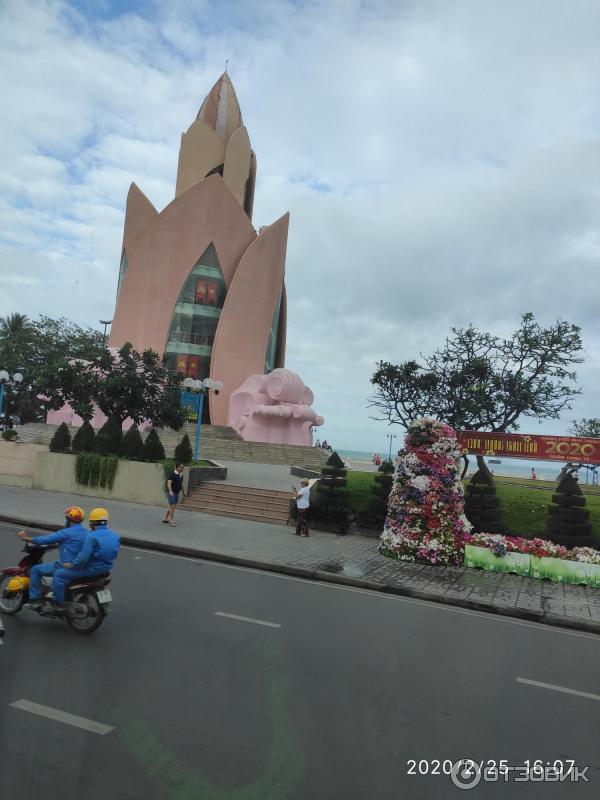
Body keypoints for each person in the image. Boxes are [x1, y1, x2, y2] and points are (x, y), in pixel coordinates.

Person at [17, 506, 88, 611]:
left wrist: (26, 538)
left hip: (66, 565)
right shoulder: (86, 532)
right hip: (81, 565)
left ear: (69, 520)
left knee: (35, 570)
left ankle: (35, 600)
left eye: (66, 518)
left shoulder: (66, 532)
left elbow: (44, 540)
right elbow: (73, 544)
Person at [56, 508, 120, 604]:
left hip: (92, 569)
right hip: (107, 568)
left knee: (59, 574)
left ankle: (58, 604)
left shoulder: (92, 537)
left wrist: (72, 565)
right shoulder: (115, 535)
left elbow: (82, 559)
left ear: (92, 523)